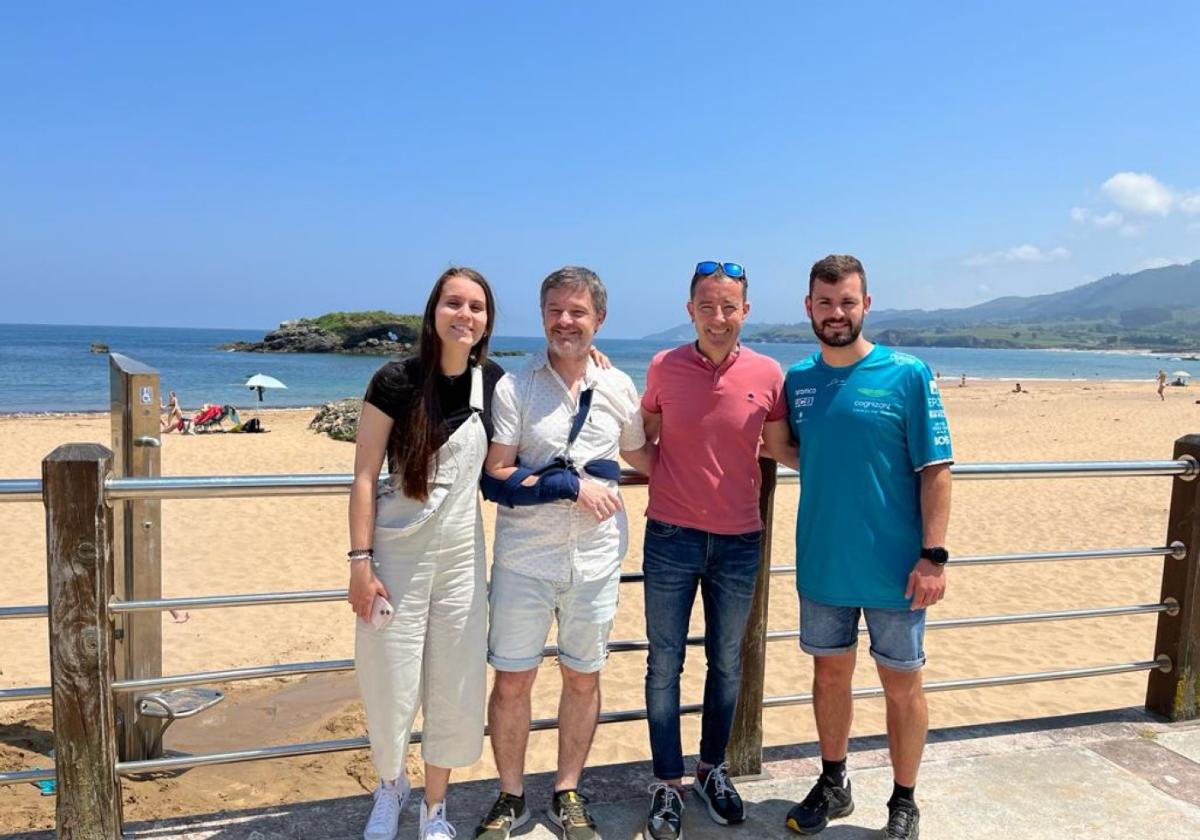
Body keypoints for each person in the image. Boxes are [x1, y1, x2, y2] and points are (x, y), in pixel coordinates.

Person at [476, 266, 653, 840]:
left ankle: (567, 790)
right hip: (524, 561)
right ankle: (509, 796)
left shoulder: (619, 386)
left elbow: (646, 458)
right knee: (511, 682)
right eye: (554, 309)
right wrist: (569, 485)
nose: (564, 321)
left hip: (597, 562)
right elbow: (497, 473)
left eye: (577, 312)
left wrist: (722, 447)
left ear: (599, 320)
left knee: (583, 677)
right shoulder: (516, 386)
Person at [779, 255, 952, 839]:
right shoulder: (798, 379)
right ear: (809, 307)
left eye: (847, 302)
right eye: (825, 303)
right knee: (829, 677)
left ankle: (904, 799)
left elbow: (936, 468)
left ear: (866, 304)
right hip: (824, 561)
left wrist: (934, 556)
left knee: (902, 684)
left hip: (897, 568)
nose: (836, 313)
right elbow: (791, 447)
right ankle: (834, 782)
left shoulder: (908, 373)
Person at [349, 267, 504, 840]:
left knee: (456, 683)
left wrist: (597, 368)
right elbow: (365, 476)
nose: (465, 315)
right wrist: (359, 564)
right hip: (395, 552)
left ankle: (434, 807)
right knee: (388, 679)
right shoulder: (396, 381)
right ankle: (390, 787)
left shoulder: (494, 383)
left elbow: (536, 418)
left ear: (488, 321)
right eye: (454, 303)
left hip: (463, 555)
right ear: (433, 311)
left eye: (477, 307)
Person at [639, 261, 792, 840]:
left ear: (745, 311)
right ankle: (667, 783)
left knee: (727, 662)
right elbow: (640, 438)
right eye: (707, 306)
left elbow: (778, 448)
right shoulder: (663, 365)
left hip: (740, 541)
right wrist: (667, 478)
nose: (719, 317)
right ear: (690, 311)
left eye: (729, 306)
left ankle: (711, 770)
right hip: (671, 537)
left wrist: (857, 459)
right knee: (664, 663)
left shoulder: (768, 372)